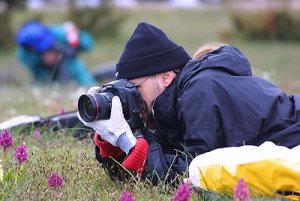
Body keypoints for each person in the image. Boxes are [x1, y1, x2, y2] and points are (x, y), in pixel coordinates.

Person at [78, 22, 300, 184]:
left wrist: (131, 144)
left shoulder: (199, 91)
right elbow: (140, 173)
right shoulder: (168, 106)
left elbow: (194, 174)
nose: (131, 96)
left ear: (165, 77)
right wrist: (112, 142)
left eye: (134, 88)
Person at [16, 20, 97, 87]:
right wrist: (44, 61)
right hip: (46, 79)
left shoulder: (57, 33)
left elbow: (88, 43)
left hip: (73, 69)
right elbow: (36, 70)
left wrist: (77, 37)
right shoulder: (25, 55)